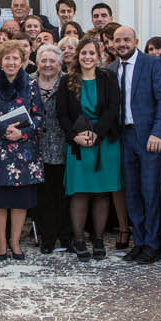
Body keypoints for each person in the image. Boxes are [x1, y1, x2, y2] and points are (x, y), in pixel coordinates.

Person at [56, 37, 122, 260]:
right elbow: (62, 113)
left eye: (91, 53)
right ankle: (78, 239)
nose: (87, 57)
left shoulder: (108, 78)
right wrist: (75, 136)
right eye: (83, 53)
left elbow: (114, 107)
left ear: (98, 55)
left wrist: (97, 133)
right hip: (78, 143)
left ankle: (99, 238)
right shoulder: (68, 81)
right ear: (78, 56)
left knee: (102, 192)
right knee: (80, 193)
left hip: (104, 142)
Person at [113, 24, 161, 264]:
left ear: (136, 41)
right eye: (118, 40)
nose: (122, 44)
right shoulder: (110, 69)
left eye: (126, 39)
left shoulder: (152, 63)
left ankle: (152, 244)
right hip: (123, 137)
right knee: (132, 193)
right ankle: (138, 242)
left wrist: (158, 132)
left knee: (149, 192)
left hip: (149, 137)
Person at [0, 38, 45, 261]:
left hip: (24, 151)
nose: (11, 62)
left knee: (20, 201)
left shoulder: (32, 84)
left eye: (15, 58)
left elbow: (39, 116)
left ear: (22, 61)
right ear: (0, 60)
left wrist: (23, 133)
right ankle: (0, 245)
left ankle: (15, 243)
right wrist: (2, 128)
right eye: (7, 58)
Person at [31, 44, 68, 254]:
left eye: (52, 61)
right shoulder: (28, 82)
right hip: (35, 146)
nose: (47, 65)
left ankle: (64, 235)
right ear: (37, 63)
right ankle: (47, 237)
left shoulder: (68, 81)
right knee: (41, 195)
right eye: (43, 61)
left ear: (59, 63)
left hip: (61, 144)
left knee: (61, 192)